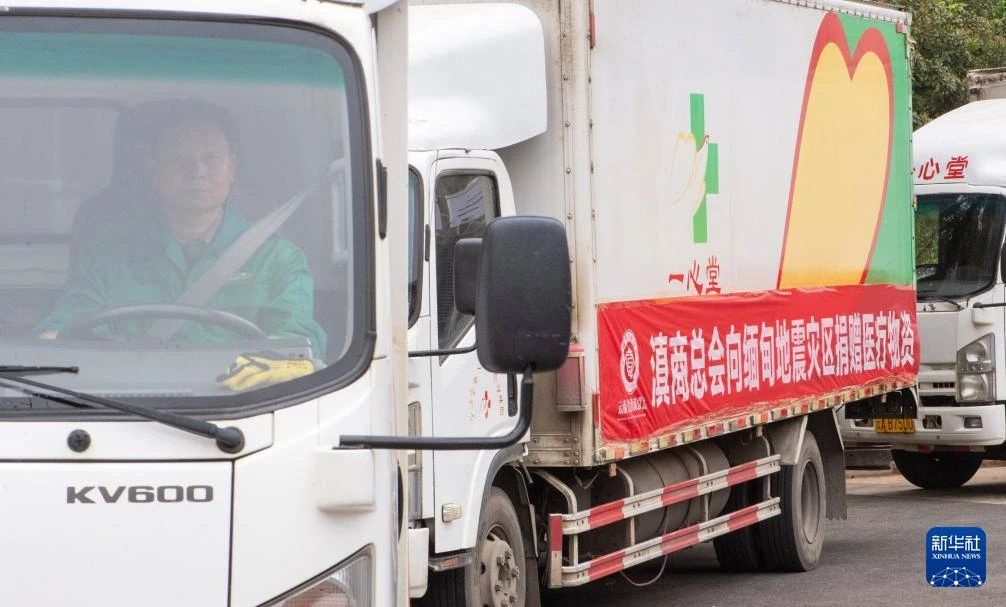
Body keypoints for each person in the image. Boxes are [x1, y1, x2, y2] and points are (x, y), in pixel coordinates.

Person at [36, 102, 325, 389]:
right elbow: (58, 335)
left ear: (232, 167)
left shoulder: (279, 259)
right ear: (153, 169)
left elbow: (298, 342)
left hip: (242, 406)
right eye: (179, 159)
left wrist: (276, 361)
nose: (197, 171)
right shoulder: (107, 259)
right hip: (120, 403)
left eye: (211, 158)